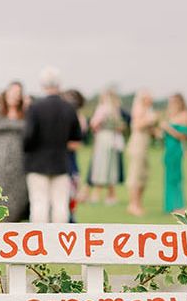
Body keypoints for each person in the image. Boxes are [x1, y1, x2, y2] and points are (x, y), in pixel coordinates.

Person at [22, 67, 83, 223]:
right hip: (61, 162)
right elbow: (76, 138)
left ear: (43, 84)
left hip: (37, 163)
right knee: (60, 204)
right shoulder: (68, 108)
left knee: (38, 203)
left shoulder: (35, 107)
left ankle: (39, 236)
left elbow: (28, 137)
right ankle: (59, 236)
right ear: (59, 84)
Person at [0, 81, 29, 221]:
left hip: (20, 162)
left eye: (18, 93)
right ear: (6, 94)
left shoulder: (25, 114)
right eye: (12, 92)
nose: (15, 96)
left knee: (17, 195)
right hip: (0, 160)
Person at [88, 89, 125, 204]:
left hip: (103, 138)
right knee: (111, 166)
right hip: (112, 139)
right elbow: (120, 126)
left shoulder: (102, 108)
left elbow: (93, 124)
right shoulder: (115, 110)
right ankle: (111, 196)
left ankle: (96, 194)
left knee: (101, 165)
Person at [126, 90, 157, 216]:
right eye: (149, 98)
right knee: (136, 174)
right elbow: (137, 125)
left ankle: (138, 203)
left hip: (144, 145)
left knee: (143, 175)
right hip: (137, 145)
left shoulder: (147, 110)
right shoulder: (139, 109)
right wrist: (151, 120)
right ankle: (132, 205)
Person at [161, 93, 187, 215]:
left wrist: (167, 128)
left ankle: (179, 206)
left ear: (179, 102)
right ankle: (170, 206)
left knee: (176, 177)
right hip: (168, 150)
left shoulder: (184, 115)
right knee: (168, 178)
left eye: (173, 102)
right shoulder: (170, 116)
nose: (171, 105)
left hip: (176, 150)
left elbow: (183, 136)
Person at [62, 89, 87, 222]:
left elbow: (78, 143)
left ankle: (71, 217)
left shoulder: (79, 119)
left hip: (70, 161)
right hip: (61, 161)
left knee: (71, 193)